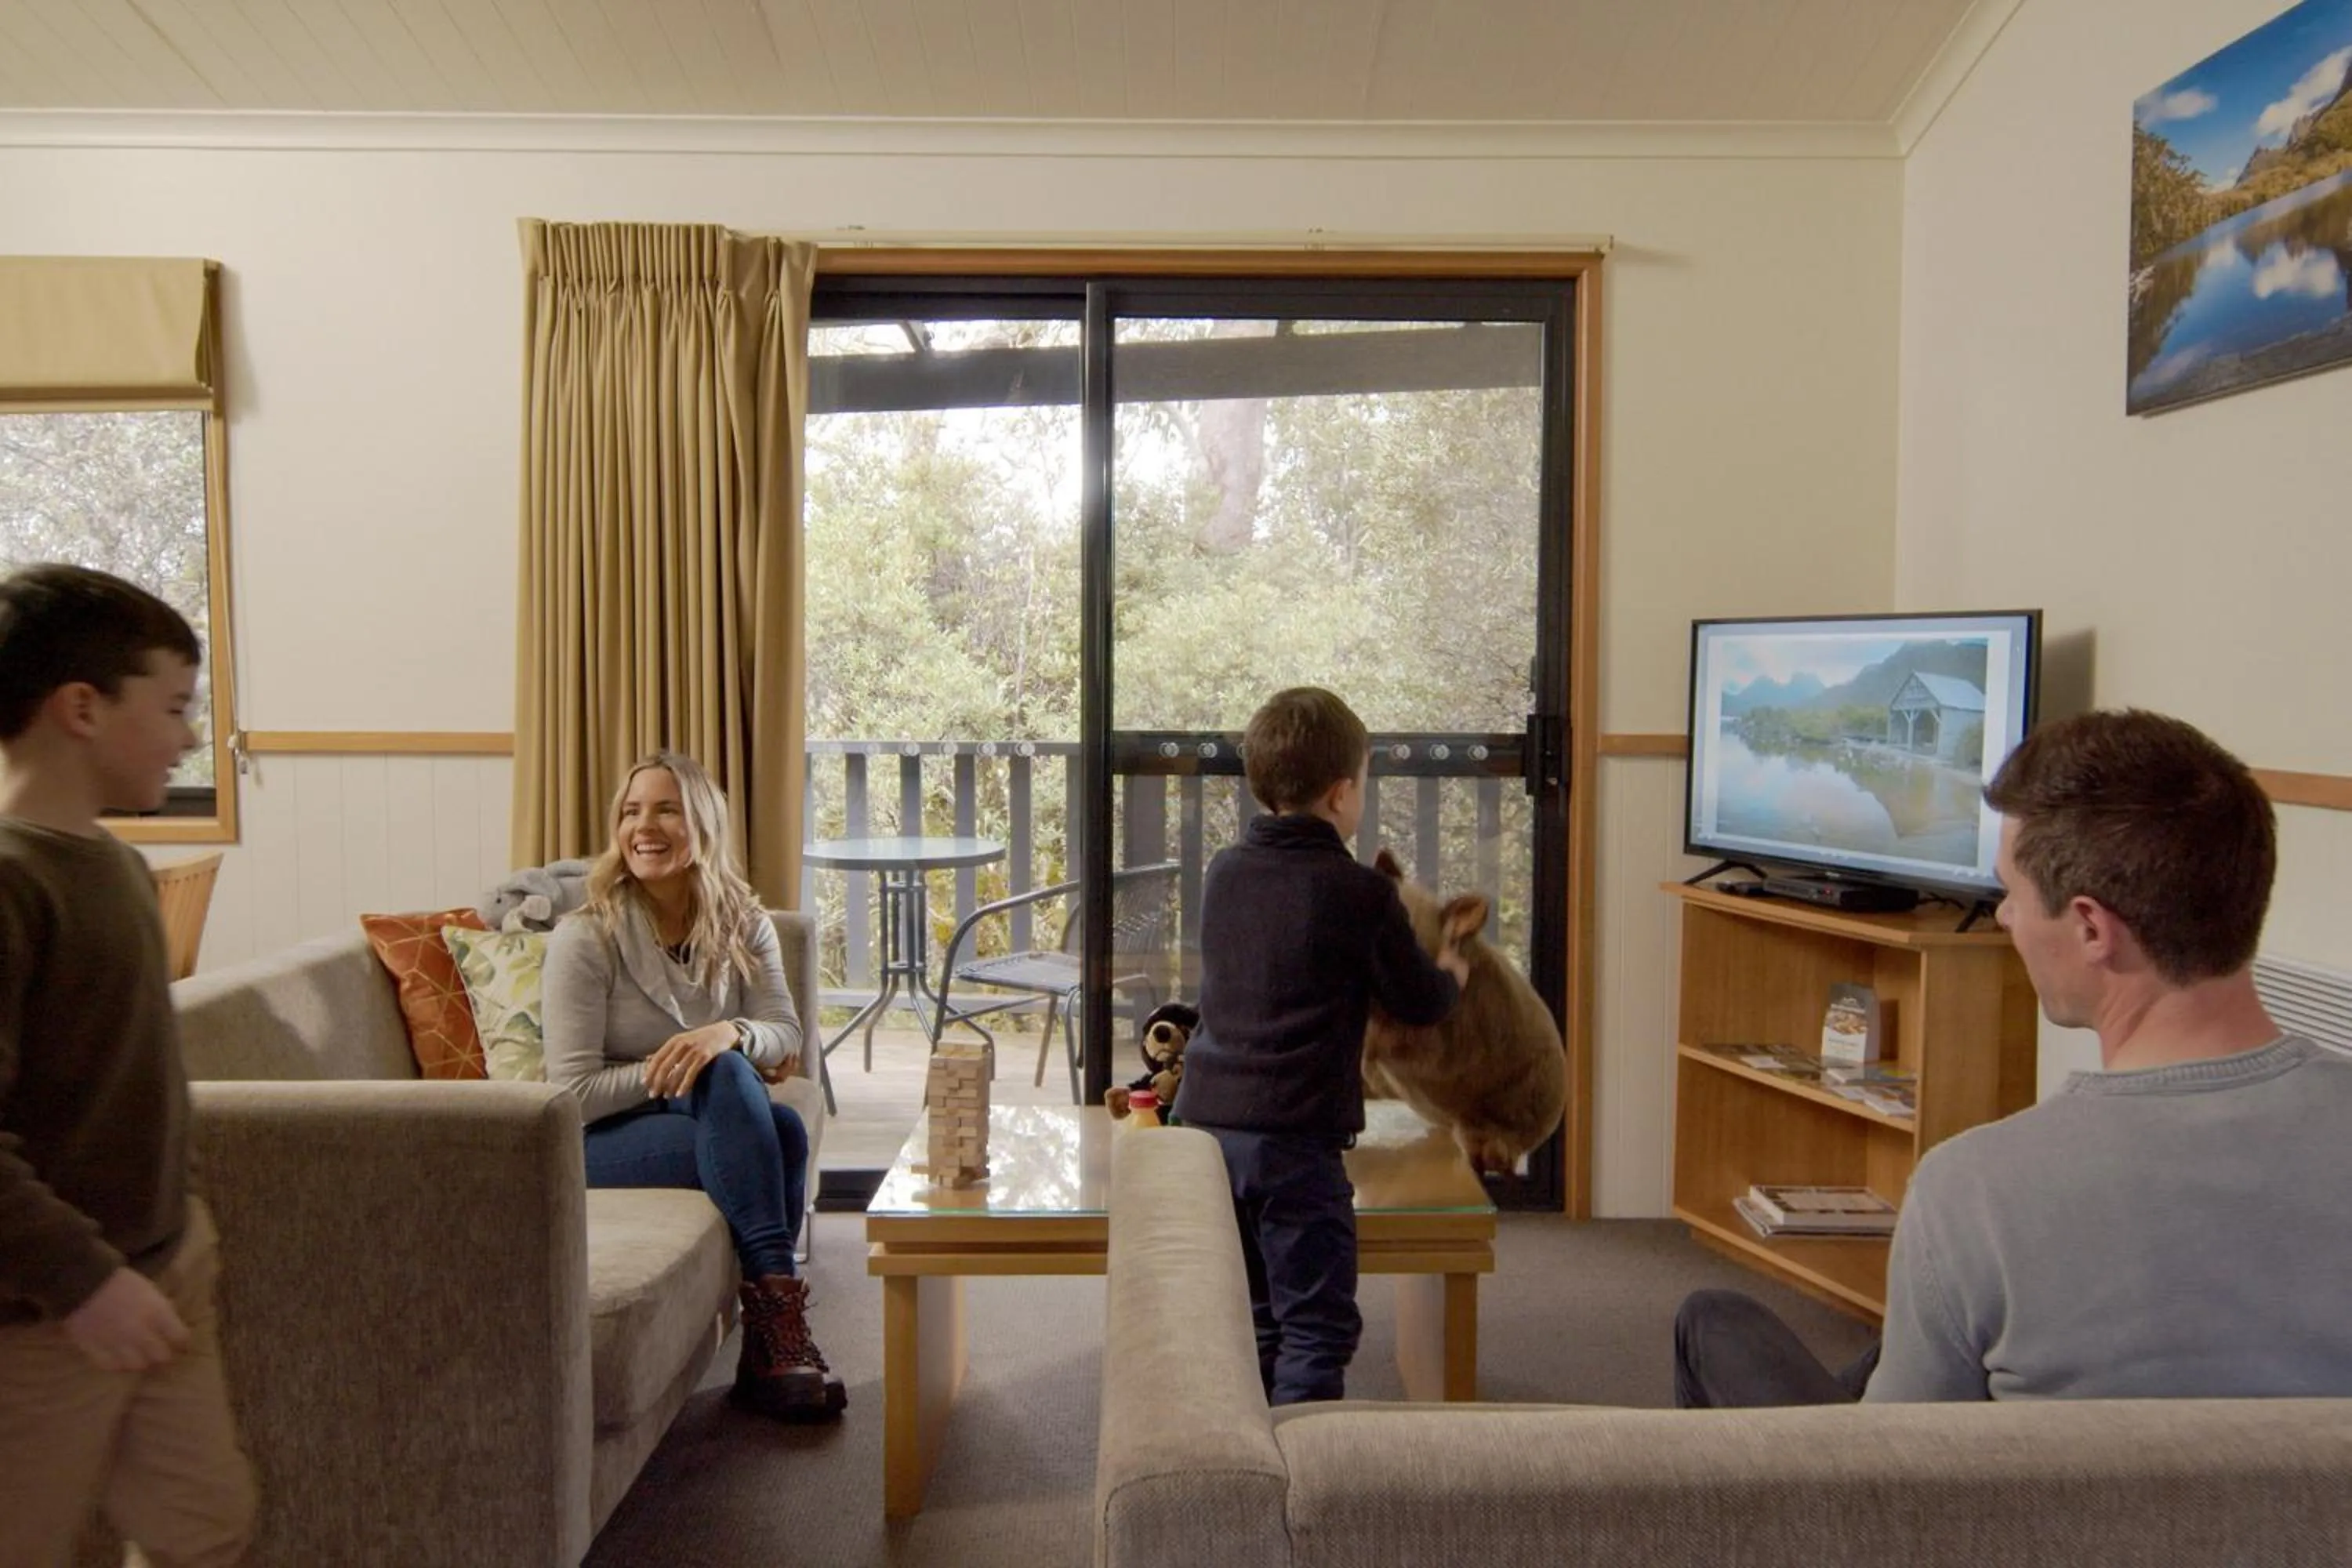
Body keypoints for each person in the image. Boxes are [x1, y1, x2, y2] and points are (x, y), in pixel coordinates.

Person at [1675, 707, 2352, 1406]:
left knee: (1714, 1321)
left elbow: (1891, 1479)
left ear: (2092, 927)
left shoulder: (1974, 1193)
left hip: (2023, 1514)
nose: (2003, 918)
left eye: (2011, 895)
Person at [0, 563, 258, 1566]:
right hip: (46, 1315)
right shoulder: (15, 885)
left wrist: (177, 1220)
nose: (193, 736)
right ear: (82, 707)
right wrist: (84, 1280)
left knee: (206, 1523)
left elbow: (131, 1078)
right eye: (176, 706)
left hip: (161, 1271)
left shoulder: (113, 864)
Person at [1173, 687, 1469, 1405]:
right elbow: (1417, 1001)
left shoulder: (1225, 872)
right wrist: (1454, 971)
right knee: (1319, 1326)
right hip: (1293, 1142)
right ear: (1342, 794)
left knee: (1259, 1316)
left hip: (1207, 1128)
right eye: (1365, 783)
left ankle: (1252, 1452)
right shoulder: (1361, 894)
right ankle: (1302, 1483)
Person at [542, 751, 844, 1422]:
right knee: (766, 1118)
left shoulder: (743, 920)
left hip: (695, 1115)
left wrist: (727, 1033)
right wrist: (684, 1070)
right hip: (597, 1141)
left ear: (702, 823)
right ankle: (776, 1332)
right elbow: (569, 1093)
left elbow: (785, 1033)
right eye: (630, 812)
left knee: (774, 1115)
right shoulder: (585, 937)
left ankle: (768, 1343)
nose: (643, 827)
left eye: (665, 809)